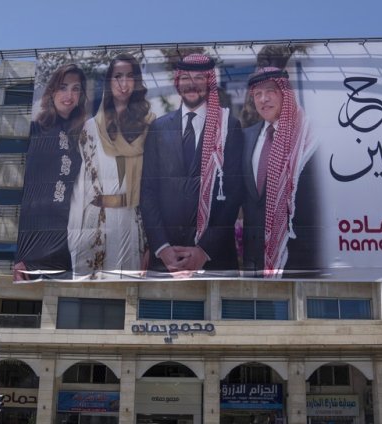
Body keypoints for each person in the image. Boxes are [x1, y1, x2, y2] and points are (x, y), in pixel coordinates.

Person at [140, 53, 243, 277]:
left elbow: (234, 194)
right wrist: (162, 248)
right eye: (185, 78)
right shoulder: (159, 128)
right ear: (177, 82)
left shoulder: (229, 127)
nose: (192, 84)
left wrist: (203, 250)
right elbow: (147, 193)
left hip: (214, 259)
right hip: (166, 261)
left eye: (199, 77)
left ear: (209, 82)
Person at [68, 54, 155, 279]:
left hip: (133, 224)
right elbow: (82, 187)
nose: (123, 84)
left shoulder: (150, 125)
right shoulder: (90, 128)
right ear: (108, 82)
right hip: (96, 224)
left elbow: (154, 186)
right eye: (117, 77)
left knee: (127, 295)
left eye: (130, 77)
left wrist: (151, 244)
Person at [241, 67, 319, 278]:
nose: (263, 99)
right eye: (257, 94)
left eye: (270, 91)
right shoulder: (246, 137)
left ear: (285, 92)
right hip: (254, 262)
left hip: (301, 261)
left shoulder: (309, 137)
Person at [14, 63, 88, 280]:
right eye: (63, 87)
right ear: (52, 90)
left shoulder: (83, 135)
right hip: (32, 243)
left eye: (76, 89)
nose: (69, 95)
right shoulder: (35, 130)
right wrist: (20, 255)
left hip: (67, 241)